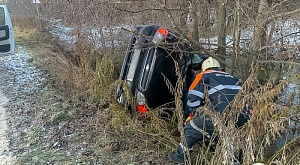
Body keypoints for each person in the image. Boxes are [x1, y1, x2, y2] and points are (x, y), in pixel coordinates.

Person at [169, 57, 246, 164]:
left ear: (204, 69)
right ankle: (234, 159)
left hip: (220, 117)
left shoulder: (203, 76)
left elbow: (193, 100)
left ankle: (181, 156)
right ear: (220, 69)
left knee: (191, 128)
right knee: (229, 133)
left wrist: (194, 115)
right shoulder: (233, 77)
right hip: (243, 117)